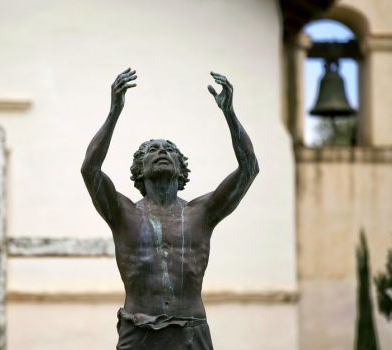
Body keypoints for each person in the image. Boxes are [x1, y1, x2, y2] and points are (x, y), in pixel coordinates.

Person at [81, 68, 259, 349]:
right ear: (139, 171)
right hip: (138, 330)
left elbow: (249, 168)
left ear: (181, 169)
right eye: (152, 150)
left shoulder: (201, 212)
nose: (162, 151)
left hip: (190, 330)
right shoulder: (123, 212)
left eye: (169, 150)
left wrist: (229, 114)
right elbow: (90, 169)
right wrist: (114, 112)